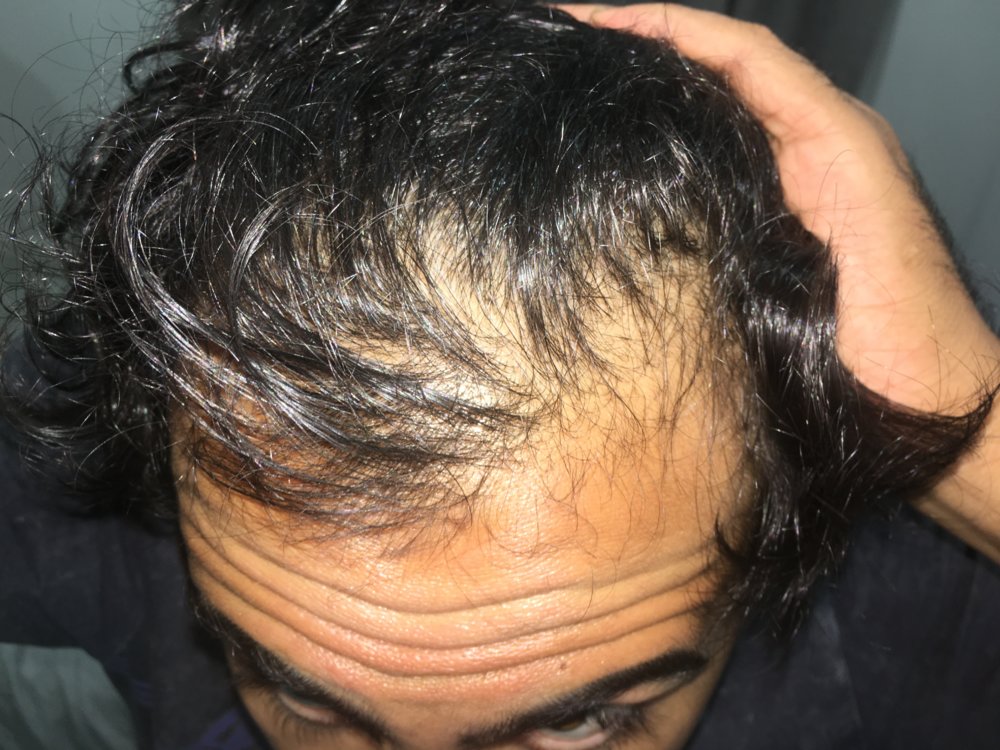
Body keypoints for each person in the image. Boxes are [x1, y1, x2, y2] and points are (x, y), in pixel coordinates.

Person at [1, 2, 998, 748]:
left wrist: (968, 435)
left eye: (578, 721)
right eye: (301, 693)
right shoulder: (101, 485)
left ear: (789, 527)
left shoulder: (919, 613)